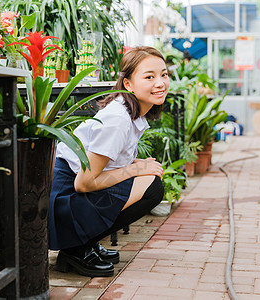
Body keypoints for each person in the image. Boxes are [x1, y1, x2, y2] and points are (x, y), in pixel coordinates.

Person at [48, 46, 169, 277]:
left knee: (148, 177)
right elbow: (83, 184)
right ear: (128, 84)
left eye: (163, 74)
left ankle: (85, 243)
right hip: (63, 202)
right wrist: (135, 169)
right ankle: (76, 249)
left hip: (69, 195)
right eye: (149, 77)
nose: (160, 83)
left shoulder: (130, 113)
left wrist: (136, 166)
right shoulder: (118, 119)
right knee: (152, 187)